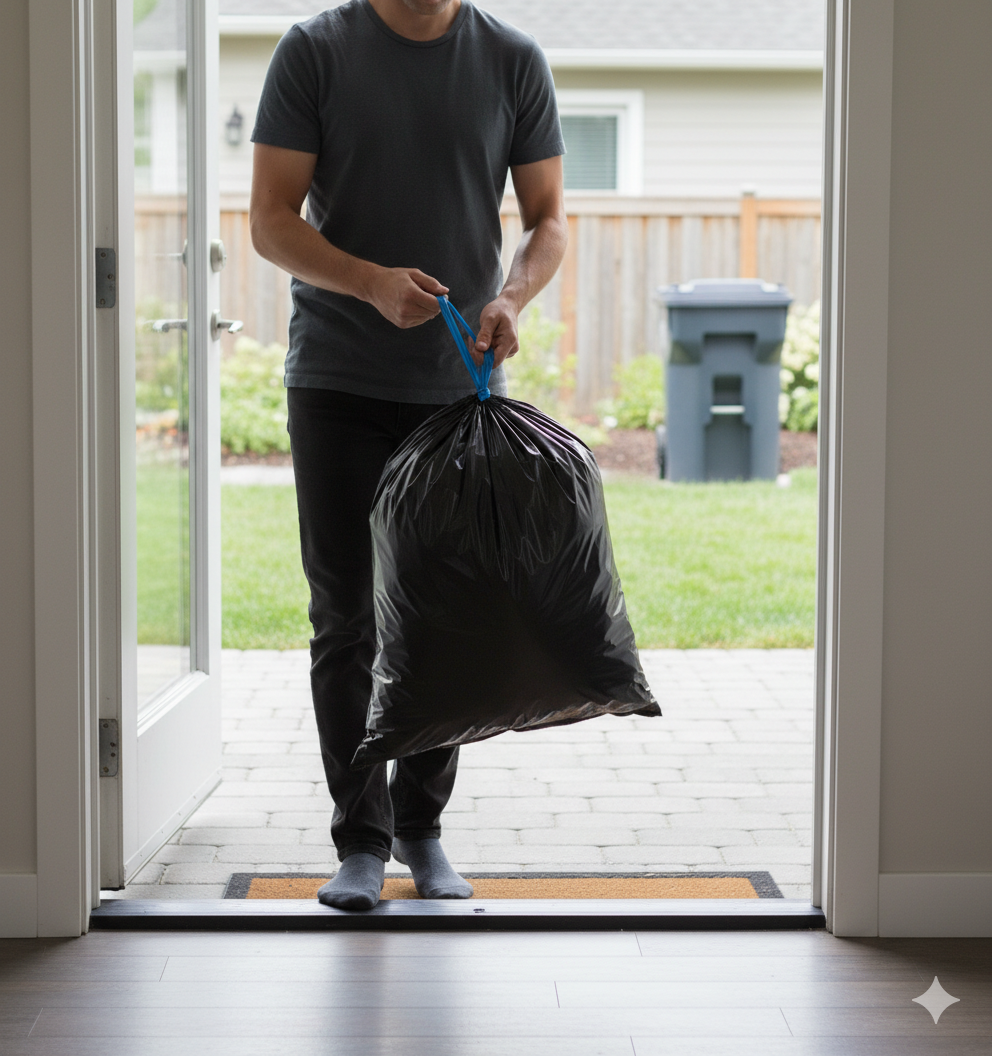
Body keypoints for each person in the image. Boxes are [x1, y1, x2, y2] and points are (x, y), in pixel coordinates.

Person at [249, 0, 567, 910]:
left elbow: (548, 219)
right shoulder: (315, 52)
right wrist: (369, 281)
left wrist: (513, 296)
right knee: (347, 620)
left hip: (458, 388)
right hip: (338, 383)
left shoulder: (511, 59)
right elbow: (271, 220)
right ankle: (361, 841)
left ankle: (422, 833)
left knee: (447, 616)